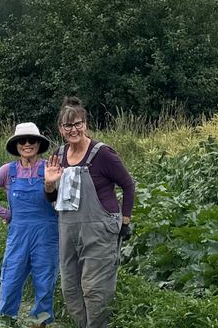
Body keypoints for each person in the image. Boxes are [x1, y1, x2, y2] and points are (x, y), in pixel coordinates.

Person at [44, 97, 135, 328]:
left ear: (85, 123)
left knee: (95, 290)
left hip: (99, 229)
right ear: (60, 129)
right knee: (70, 289)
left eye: (78, 124)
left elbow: (128, 184)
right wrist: (49, 184)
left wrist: (125, 220)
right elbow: (53, 200)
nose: (73, 129)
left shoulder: (102, 154)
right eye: (68, 125)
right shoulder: (59, 155)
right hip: (69, 231)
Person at [0, 122, 59, 326]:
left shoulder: (50, 168)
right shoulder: (8, 171)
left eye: (32, 140)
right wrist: (7, 213)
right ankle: (5, 321)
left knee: (45, 283)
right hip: (18, 233)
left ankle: (39, 323)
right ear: (16, 145)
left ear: (39, 144)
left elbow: (63, 200)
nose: (27, 144)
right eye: (22, 141)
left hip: (47, 234)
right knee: (11, 279)